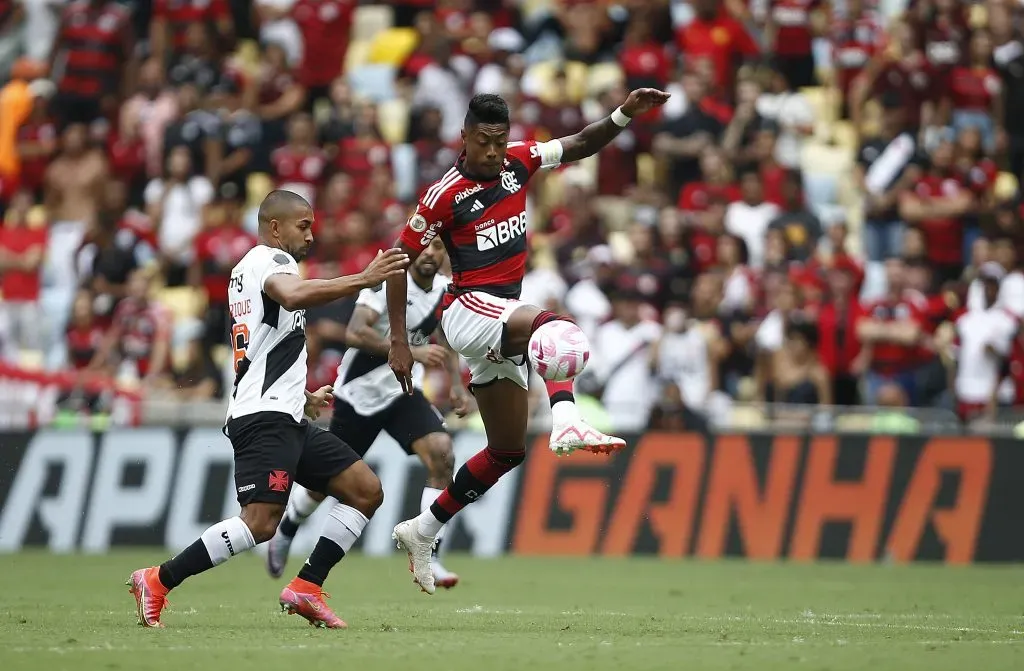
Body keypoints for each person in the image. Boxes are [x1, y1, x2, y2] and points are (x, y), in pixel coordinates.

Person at [387, 89, 670, 594]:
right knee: (557, 328)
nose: (494, 152)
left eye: (500, 141)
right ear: (465, 138)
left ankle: (423, 529)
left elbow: (582, 142)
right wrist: (399, 341)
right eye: (484, 142)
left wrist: (625, 113)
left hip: (499, 318)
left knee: (506, 450)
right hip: (469, 310)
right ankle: (567, 420)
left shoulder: (521, 161)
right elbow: (396, 261)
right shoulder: (442, 195)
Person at [127, 190, 409, 628]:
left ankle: (307, 587)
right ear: (275, 227)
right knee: (259, 524)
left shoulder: (248, 270)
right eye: (303, 225)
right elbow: (294, 297)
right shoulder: (272, 262)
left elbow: (264, 344)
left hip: (283, 412)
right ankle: (158, 579)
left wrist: (302, 396)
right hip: (263, 417)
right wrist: (363, 278)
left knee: (364, 490)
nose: (311, 236)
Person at [265, 237, 470, 588]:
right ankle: (289, 525)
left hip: (403, 393)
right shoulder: (388, 281)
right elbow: (355, 331)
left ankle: (428, 551)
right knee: (324, 486)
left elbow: (442, 335)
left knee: (442, 454)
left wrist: (456, 384)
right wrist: (408, 350)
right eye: (427, 246)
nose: (432, 254)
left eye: (439, 248)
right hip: (358, 397)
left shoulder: (442, 290)